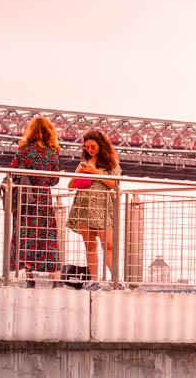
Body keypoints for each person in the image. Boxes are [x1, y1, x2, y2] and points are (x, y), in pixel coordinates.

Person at [66, 129, 121, 287]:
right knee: (90, 245)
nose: (89, 149)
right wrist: (78, 173)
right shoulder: (83, 164)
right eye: (86, 147)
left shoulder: (111, 164)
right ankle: (93, 280)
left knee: (108, 244)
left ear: (100, 145)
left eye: (92, 146)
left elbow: (114, 184)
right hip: (84, 205)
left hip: (102, 205)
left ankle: (117, 279)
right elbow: (70, 187)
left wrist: (96, 172)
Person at [9, 116, 62, 277]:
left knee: (26, 235)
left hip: (25, 197)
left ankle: (30, 277)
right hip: (43, 199)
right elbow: (54, 179)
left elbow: (13, 170)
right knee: (47, 236)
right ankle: (56, 278)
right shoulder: (53, 152)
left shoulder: (23, 150)